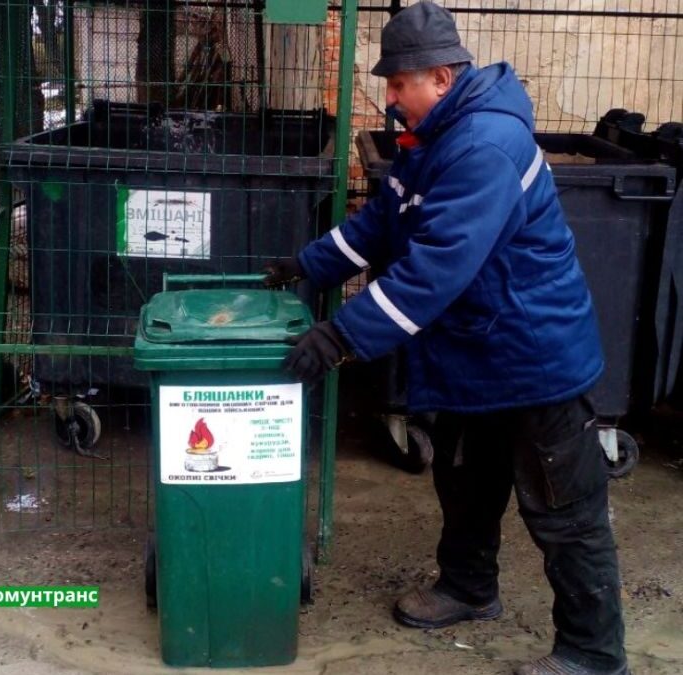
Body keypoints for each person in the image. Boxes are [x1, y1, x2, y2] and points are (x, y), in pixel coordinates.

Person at [263, 3, 628, 674]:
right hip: (477, 353)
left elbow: (436, 266)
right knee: (467, 482)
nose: (391, 98)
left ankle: (592, 653)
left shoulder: (483, 145)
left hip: (534, 357)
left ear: (439, 75)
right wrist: (310, 264)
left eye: (399, 85)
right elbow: (383, 221)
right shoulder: (434, 137)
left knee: (564, 512)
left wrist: (340, 337)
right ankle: (467, 587)